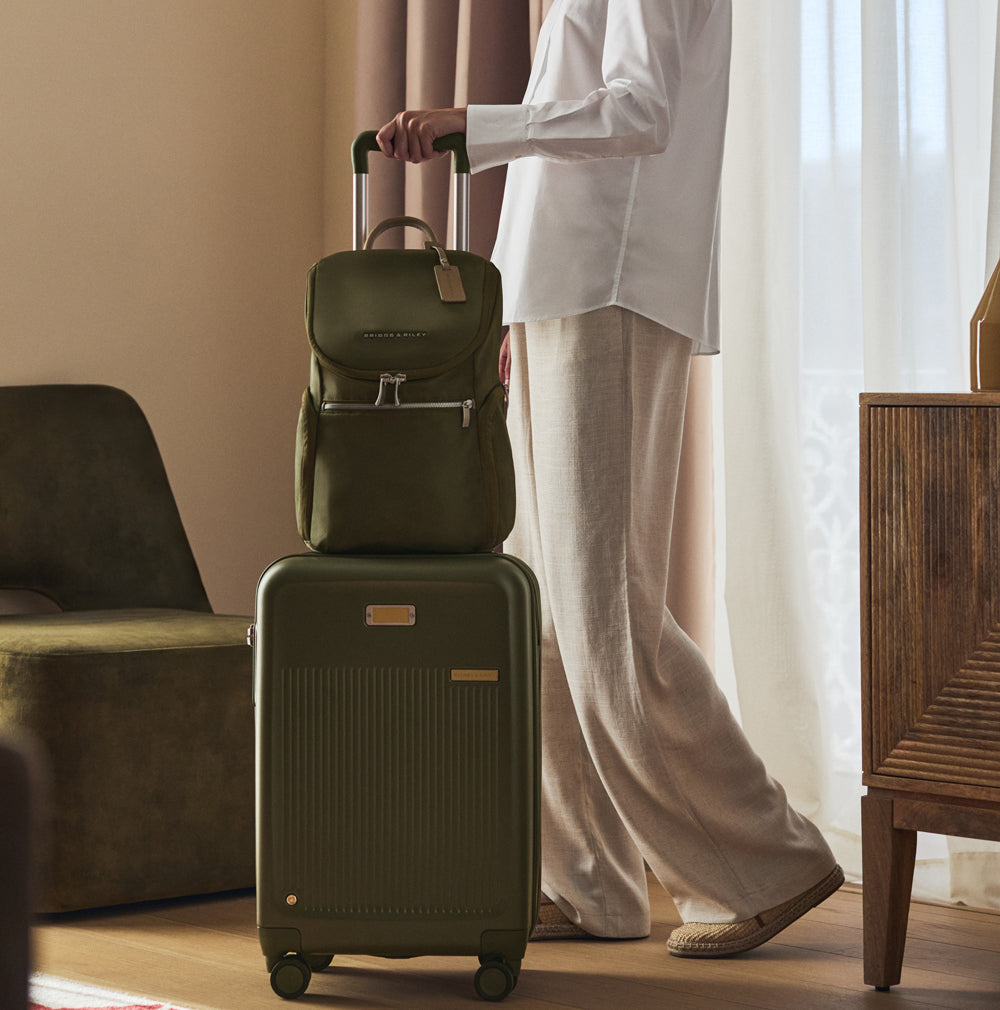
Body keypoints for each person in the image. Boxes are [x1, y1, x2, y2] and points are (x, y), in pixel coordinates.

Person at [377, 0, 843, 957]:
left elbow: (639, 112)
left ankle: (766, 861)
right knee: (539, 604)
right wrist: (511, 302)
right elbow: (576, 139)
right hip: (562, 285)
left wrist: (479, 125)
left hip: (615, 284)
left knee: (604, 611)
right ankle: (587, 881)